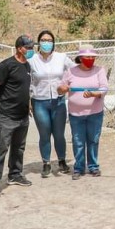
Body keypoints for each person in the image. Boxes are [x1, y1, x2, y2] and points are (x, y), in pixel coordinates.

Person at [0, 35, 36, 198]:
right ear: (19, 48)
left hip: (22, 116)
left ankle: (15, 174)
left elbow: (24, 88)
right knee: (1, 149)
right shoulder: (7, 65)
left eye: (32, 47)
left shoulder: (27, 65)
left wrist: (28, 104)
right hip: (6, 116)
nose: (31, 50)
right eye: (28, 47)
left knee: (19, 147)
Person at [57, 46, 108, 180]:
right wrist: (62, 88)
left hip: (95, 112)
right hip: (76, 114)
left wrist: (93, 94)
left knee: (93, 140)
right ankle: (78, 168)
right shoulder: (70, 71)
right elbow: (60, 88)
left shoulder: (99, 70)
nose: (90, 59)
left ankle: (93, 166)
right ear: (80, 58)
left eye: (93, 57)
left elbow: (104, 88)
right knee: (78, 141)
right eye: (87, 57)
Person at [29, 30, 74, 177]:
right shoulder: (32, 60)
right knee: (44, 134)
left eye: (49, 40)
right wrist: (28, 100)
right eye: (43, 40)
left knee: (59, 134)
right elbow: (26, 80)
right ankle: (46, 163)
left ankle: (62, 161)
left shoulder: (61, 57)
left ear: (53, 43)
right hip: (39, 102)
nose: (46, 43)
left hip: (58, 101)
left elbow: (74, 70)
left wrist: (68, 85)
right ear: (38, 42)